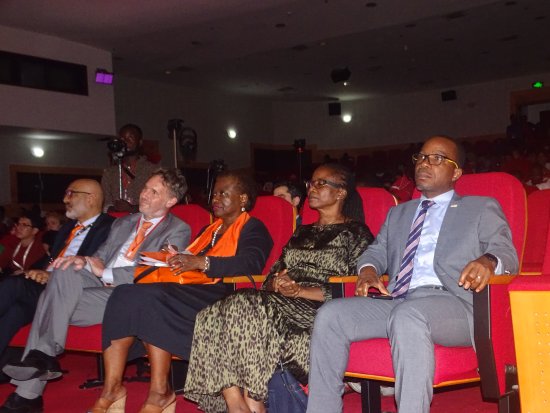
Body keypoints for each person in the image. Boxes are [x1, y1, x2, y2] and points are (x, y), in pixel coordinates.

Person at [306, 136, 519, 413]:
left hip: (456, 304)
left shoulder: (480, 207)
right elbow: (375, 252)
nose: (424, 163)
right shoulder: (398, 213)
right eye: (421, 157)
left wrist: (488, 261)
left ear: (456, 173)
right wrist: (368, 271)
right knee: (330, 314)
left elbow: (506, 253)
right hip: (400, 299)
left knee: (408, 315)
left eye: (437, 158)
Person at [184, 163, 374, 413]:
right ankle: (236, 404)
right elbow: (272, 275)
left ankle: (252, 404)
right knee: (211, 313)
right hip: (280, 305)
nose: (312, 189)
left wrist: (300, 291)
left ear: (341, 192)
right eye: (311, 183)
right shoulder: (301, 232)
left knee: (244, 304)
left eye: (321, 183)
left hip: (319, 313)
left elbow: (353, 287)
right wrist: (278, 282)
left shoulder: (356, 233)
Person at [1, 169, 190, 413]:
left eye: (154, 192)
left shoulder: (178, 230)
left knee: (51, 300)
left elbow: (153, 272)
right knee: (65, 268)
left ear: (171, 200)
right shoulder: (123, 222)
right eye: (145, 188)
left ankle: (29, 392)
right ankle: (41, 360)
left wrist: (106, 273)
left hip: (129, 294)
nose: (144, 194)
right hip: (97, 284)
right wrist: (84, 261)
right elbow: (100, 257)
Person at [88, 171, 273, 413]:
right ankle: (112, 389)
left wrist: (202, 263)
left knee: (148, 297)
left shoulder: (253, 228)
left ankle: (159, 393)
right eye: (214, 193)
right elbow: (189, 262)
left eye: (223, 193)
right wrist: (174, 257)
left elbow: (251, 264)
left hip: (222, 292)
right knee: (124, 292)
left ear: (243, 199)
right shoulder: (209, 230)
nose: (215, 198)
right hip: (192, 288)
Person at [0, 180, 114, 362]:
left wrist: (52, 275)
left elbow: (98, 263)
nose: (65, 199)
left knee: (13, 286)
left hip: (69, 287)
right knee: (16, 311)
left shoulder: (111, 227)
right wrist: (32, 271)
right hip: (43, 284)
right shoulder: (69, 226)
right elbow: (51, 258)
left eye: (71, 194)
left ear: (90, 198)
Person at [101, 123, 157, 213]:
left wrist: (132, 208)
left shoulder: (153, 171)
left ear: (140, 142)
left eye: (130, 137)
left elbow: (158, 203)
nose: (126, 141)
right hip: (117, 220)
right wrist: (113, 208)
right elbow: (104, 203)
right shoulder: (109, 173)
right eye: (122, 139)